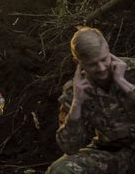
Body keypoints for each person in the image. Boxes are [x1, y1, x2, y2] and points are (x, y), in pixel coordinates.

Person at [47, 27, 135, 174]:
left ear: (108, 50)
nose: (101, 68)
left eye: (103, 59)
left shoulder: (132, 70)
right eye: (92, 64)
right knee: (60, 170)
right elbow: (70, 147)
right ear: (78, 62)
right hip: (113, 155)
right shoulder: (75, 90)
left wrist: (123, 83)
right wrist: (77, 102)